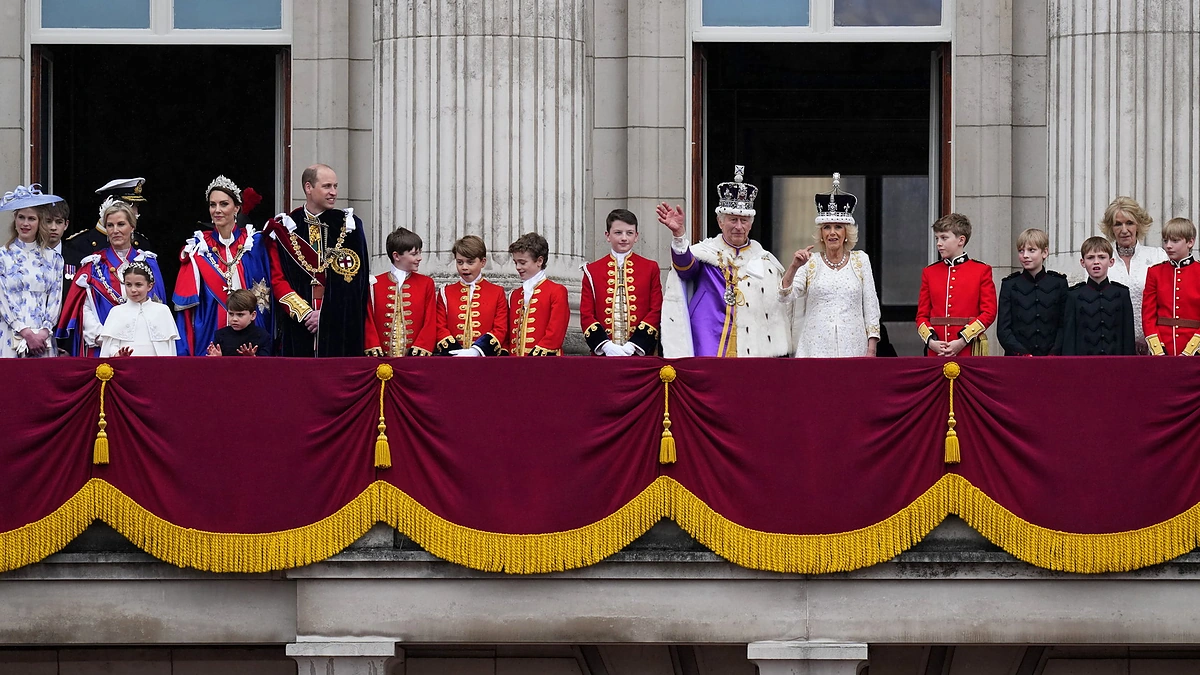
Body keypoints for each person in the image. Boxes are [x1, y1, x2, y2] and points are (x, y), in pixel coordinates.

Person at [656, 165, 791, 357]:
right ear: (720, 222)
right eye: (732, 220)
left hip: (752, 346)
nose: (738, 226)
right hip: (709, 338)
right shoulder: (706, 252)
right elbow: (685, 268)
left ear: (750, 224)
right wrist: (679, 236)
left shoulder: (765, 260)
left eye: (743, 220)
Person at [264, 164, 370, 357]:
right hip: (298, 324)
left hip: (339, 325)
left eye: (335, 186)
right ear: (308, 188)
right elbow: (277, 279)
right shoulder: (284, 228)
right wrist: (305, 314)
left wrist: (326, 315)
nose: (333, 193)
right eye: (327, 186)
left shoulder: (350, 225)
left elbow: (355, 282)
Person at [173, 176, 284, 356]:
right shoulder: (199, 247)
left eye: (223, 204)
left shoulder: (254, 243)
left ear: (237, 208)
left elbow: (267, 292)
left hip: (249, 330)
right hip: (210, 326)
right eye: (212, 205)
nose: (217, 210)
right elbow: (187, 305)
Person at [778, 174, 881, 358]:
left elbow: (871, 308)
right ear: (821, 233)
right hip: (815, 348)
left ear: (846, 232)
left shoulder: (861, 260)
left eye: (838, 227)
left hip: (853, 347)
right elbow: (785, 297)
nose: (832, 233)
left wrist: (871, 349)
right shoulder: (810, 262)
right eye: (827, 227)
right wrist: (794, 266)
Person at [58, 201, 166, 357]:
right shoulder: (93, 266)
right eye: (110, 225)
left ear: (132, 227)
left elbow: (157, 308)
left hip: (142, 349)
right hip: (101, 348)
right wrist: (107, 340)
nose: (115, 230)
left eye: (121, 224)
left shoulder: (148, 263)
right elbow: (84, 310)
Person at [580, 209, 662, 357]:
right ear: (607, 235)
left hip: (639, 354)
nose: (624, 238)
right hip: (604, 355)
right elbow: (586, 314)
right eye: (618, 233)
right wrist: (605, 346)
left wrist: (635, 345)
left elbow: (656, 309)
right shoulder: (591, 271)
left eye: (629, 233)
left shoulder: (650, 268)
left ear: (636, 236)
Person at [916, 213, 996, 357]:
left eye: (944, 238)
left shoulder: (981, 270)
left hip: (968, 348)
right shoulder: (929, 272)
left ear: (961, 240)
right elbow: (922, 315)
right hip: (936, 350)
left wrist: (963, 339)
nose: (938, 243)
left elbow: (989, 312)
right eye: (937, 238)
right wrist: (931, 341)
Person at [0, 185, 65, 358]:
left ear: (40, 222)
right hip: (10, 334)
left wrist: (44, 331)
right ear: (15, 219)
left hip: (43, 338)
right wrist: (25, 332)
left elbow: (55, 298)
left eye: (31, 218)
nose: (25, 223)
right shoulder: (2, 256)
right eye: (21, 217)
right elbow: (2, 299)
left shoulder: (54, 258)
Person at [1098, 196, 1167, 353]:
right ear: (1110, 228)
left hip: (1155, 346)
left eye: (1129, 223)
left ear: (1139, 224)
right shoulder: (1101, 259)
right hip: (1113, 346)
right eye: (1118, 224)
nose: (1124, 230)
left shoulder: (1158, 256)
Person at [364, 227, 436, 357]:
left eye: (420, 253)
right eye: (414, 254)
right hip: (381, 359)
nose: (419, 258)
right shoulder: (374, 284)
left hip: (415, 359)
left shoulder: (426, 283)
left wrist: (422, 346)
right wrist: (372, 345)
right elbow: (368, 319)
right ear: (396, 256)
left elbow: (430, 319)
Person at [996, 228, 1068, 356]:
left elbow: (1064, 325)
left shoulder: (1059, 283)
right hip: (1018, 359)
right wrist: (1022, 353)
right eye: (1021, 251)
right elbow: (1003, 329)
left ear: (1045, 252)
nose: (1025, 256)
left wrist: (1054, 353)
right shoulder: (1010, 285)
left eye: (1031, 250)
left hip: (1052, 358)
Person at [435, 235, 508, 356]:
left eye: (470, 262)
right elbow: (439, 326)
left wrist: (477, 351)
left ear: (483, 262)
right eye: (459, 262)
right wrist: (455, 352)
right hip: (452, 359)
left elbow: (500, 329)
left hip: (485, 360)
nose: (464, 267)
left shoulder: (497, 292)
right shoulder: (445, 293)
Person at [1062, 236, 1135, 355]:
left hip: (1115, 362)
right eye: (1090, 257)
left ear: (1111, 262)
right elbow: (1069, 338)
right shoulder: (1074, 295)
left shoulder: (1122, 293)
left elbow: (1128, 335)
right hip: (1083, 363)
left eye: (1102, 257)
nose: (1096, 262)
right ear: (1083, 262)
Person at [61, 177, 152, 268]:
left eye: (136, 206)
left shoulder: (142, 243)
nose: (136, 212)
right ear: (108, 205)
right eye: (131, 206)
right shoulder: (79, 244)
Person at [1143, 218, 1200, 356]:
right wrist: (1158, 349)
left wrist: (1191, 350)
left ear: (1190, 242)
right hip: (1163, 348)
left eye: (1175, 241)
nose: (1168, 246)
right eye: (1165, 241)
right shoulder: (1155, 272)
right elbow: (1148, 315)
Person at [97, 261, 178, 357]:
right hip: (126, 368)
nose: (133, 290)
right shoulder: (117, 312)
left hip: (156, 368)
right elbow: (109, 346)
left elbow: (169, 349)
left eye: (138, 285)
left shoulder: (163, 311)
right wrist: (117, 354)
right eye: (128, 285)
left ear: (149, 286)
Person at [508, 232, 569, 356]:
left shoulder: (557, 291)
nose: (518, 267)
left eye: (522, 262)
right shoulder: (515, 295)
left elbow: (555, 334)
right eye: (515, 263)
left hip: (547, 364)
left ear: (539, 261)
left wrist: (534, 360)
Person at [206, 289, 273, 356]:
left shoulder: (263, 336)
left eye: (240, 315)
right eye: (231, 314)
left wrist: (253, 358)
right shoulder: (220, 335)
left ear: (253, 315)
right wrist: (217, 359)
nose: (234, 319)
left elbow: (267, 364)